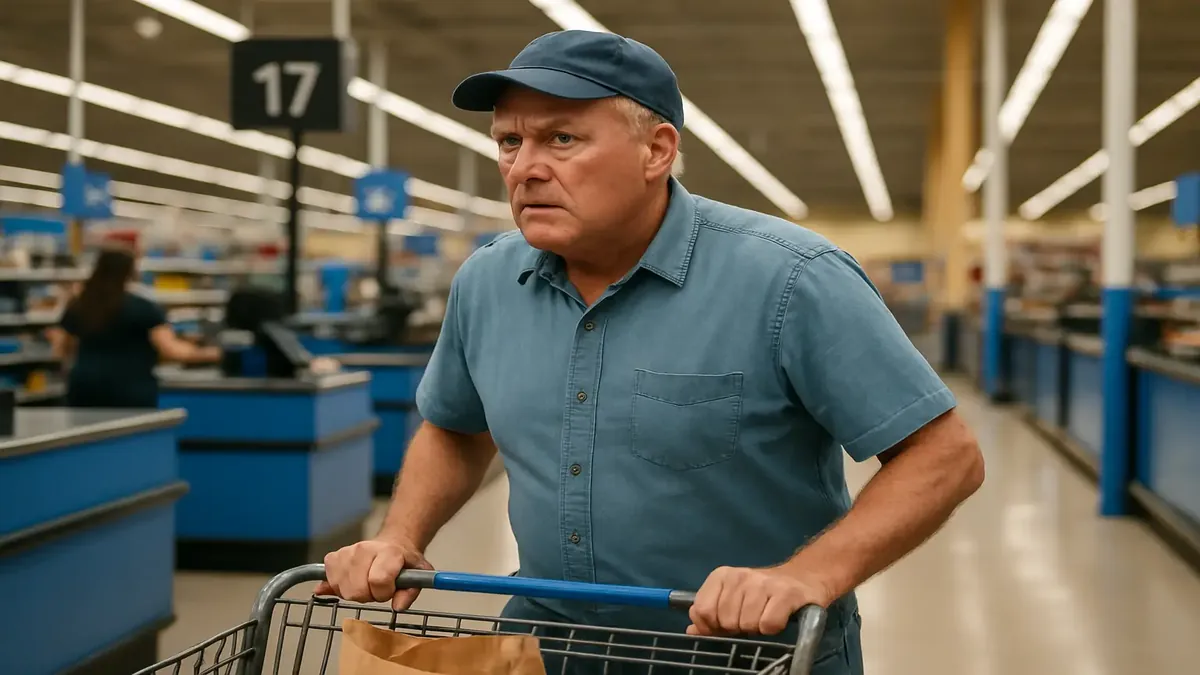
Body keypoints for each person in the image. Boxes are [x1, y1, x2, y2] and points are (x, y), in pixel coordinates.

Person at [318, 30, 985, 674]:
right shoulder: (488, 282)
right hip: (546, 647)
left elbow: (945, 455)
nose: (525, 168)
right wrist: (401, 534)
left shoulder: (789, 279)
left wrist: (807, 575)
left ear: (657, 150)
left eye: (562, 138)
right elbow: (457, 428)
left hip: (748, 655)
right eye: (509, 142)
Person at [48, 245, 220, 408]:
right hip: (129, 389)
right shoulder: (141, 307)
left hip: (85, 388)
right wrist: (214, 354)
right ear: (130, 272)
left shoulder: (79, 305)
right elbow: (171, 350)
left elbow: (61, 349)